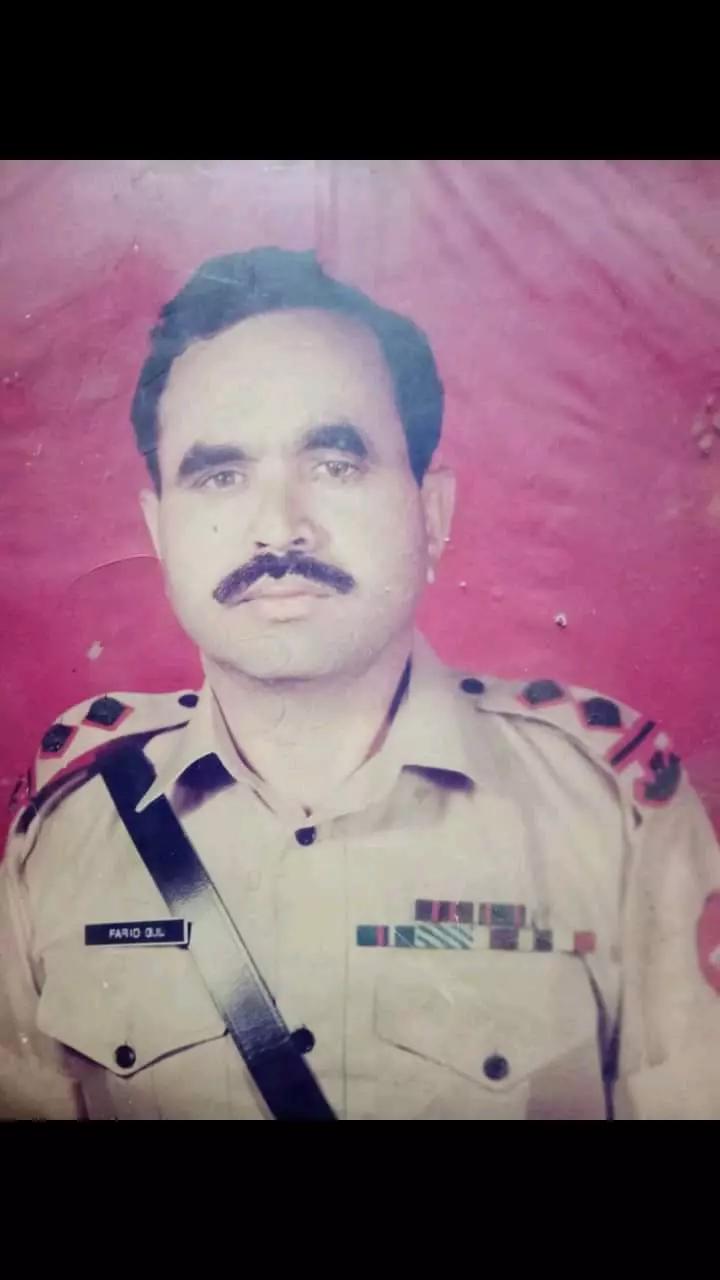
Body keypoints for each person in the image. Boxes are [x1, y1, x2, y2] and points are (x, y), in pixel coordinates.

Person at [1, 247, 719, 1121]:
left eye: (335, 465)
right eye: (219, 476)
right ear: (160, 533)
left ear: (431, 514)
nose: (278, 529)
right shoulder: (69, 827)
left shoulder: (606, 812)